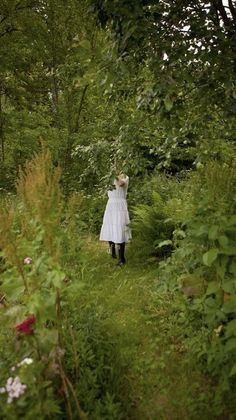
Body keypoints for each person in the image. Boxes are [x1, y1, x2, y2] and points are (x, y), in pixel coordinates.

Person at [99, 173, 131, 266]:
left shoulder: (125, 177)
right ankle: (112, 252)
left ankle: (122, 258)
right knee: (110, 227)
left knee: (120, 229)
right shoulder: (108, 177)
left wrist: (114, 175)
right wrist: (110, 175)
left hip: (120, 205)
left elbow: (121, 184)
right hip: (111, 204)